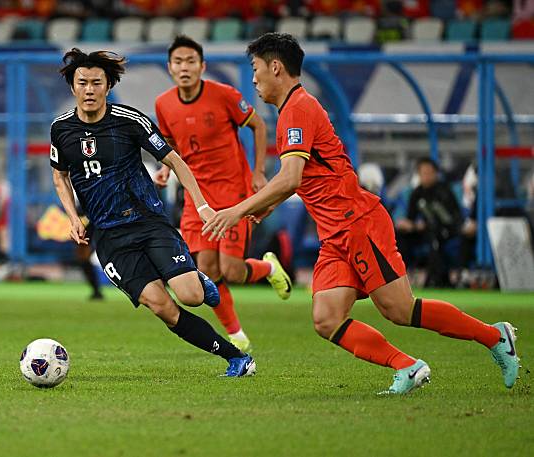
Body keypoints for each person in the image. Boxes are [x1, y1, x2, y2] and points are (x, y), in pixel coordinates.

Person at [202, 33, 520, 394]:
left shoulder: (298, 109)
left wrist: (237, 211)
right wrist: (265, 205)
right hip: (336, 233)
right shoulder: (294, 109)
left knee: (399, 309)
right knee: (326, 318)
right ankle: (408, 367)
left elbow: (290, 178)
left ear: (276, 67)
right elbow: (304, 177)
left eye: (256, 69)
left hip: (357, 223)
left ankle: (495, 336)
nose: (254, 78)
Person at [50, 48, 255, 377]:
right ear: (73, 87)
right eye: (82, 83)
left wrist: (201, 205)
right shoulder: (61, 129)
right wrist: (74, 218)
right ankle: (237, 358)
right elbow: (59, 176)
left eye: (96, 83)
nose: (89, 89)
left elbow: (174, 160)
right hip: (109, 237)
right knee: (162, 307)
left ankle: (198, 281)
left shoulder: (129, 121)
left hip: (147, 221)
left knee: (190, 296)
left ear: (108, 86)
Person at [154, 35, 292, 352]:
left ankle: (268, 267)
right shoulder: (163, 104)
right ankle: (237, 334)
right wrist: (165, 168)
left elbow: (258, 125)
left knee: (231, 270)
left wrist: (258, 173)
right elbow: (170, 144)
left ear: (202, 66)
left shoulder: (225, 95)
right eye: (178, 62)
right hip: (197, 198)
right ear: (170, 68)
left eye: (191, 61)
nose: (184, 67)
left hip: (233, 193)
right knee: (206, 273)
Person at [396, 158, 463, 287]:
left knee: (435, 237)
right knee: (399, 236)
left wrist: (422, 225)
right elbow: (411, 217)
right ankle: (400, 277)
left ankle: (435, 279)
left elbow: (452, 218)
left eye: (429, 173)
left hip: (446, 231)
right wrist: (407, 224)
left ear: (436, 173)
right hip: (424, 230)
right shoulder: (417, 192)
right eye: (423, 173)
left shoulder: (444, 191)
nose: (426, 176)